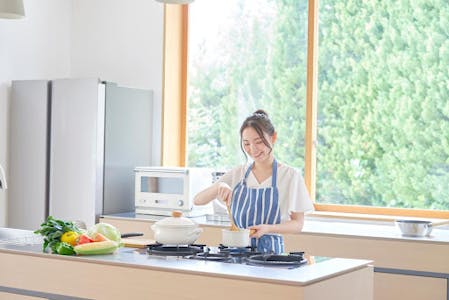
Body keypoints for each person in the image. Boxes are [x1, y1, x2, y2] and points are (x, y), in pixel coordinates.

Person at [194, 109, 314, 254]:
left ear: (273, 137)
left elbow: (297, 224)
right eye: (246, 144)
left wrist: (268, 228)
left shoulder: (289, 176)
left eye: (258, 142)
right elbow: (197, 200)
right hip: (235, 254)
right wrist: (219, 186)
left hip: (271, 257)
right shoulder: (239, 173)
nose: (253, 149)